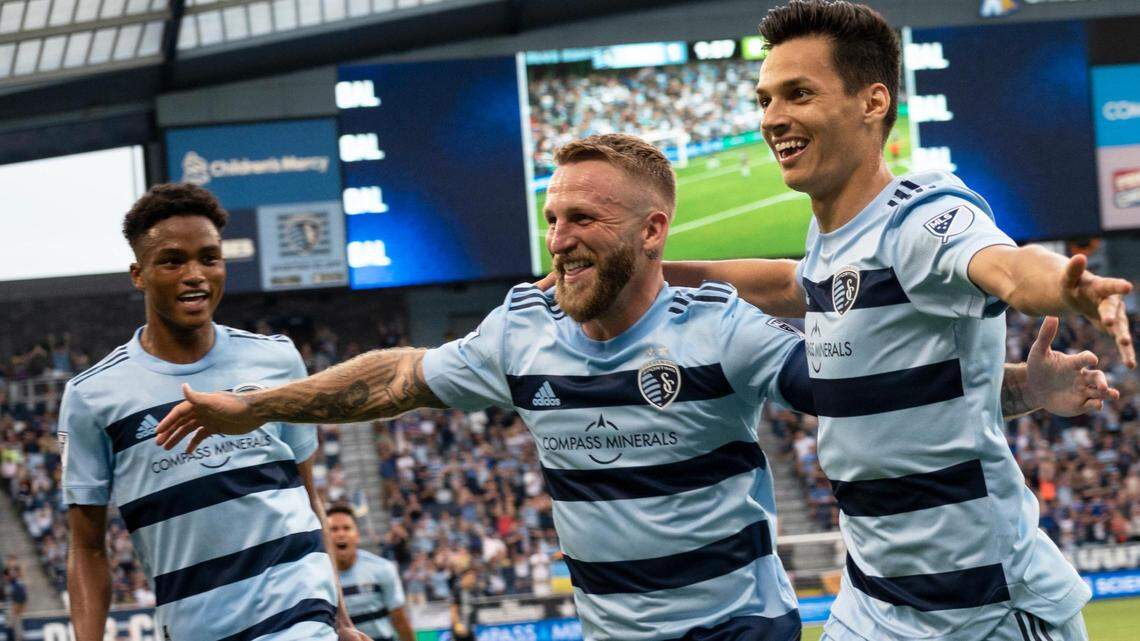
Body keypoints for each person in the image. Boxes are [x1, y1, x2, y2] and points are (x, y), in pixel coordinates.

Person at [153, 134, 1115, 641]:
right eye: (552, 216)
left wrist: (1018, 393)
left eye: (584, 218)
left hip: (741, 626)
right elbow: (397, 378)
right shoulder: (519, 331)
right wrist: (259, 403)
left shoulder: (722, 330)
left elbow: (854, 388)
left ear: (651, 232)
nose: (560, 237)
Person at [664, 2, 1135, 640]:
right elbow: (785, 283)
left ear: (872, 102)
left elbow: (1005, 267)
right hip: (875, 601)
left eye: (798, 93)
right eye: (765, 98)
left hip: (982, 609)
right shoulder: (832, 240)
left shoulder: (920, 217)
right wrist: (649, 274)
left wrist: (1067, 289)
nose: (773, 118)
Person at [60, 183, 369, 641]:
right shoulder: (93, 396)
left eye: (209, 257)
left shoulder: (277, 360)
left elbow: (308, 496)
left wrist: (339, 617)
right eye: (172, 260)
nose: (195, 274)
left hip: (298, 610)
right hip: (194, 625)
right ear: (138, 275)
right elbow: (87, 547)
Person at [326, 505, 415, 641]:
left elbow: (400, 621)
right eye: (334, 529)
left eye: (346, 528)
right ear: (324, 537)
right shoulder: (319, 578)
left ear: (357, 535)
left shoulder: (382, 568)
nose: (341, 534)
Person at [449, 567, 478, 641]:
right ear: (464, 577)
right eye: (471, 578)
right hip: (459, 629)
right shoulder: (457, 590)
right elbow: (453, 610)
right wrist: (457, 625)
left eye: (474, 578)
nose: (473, 580)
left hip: (468, 628)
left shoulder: (471, 591)